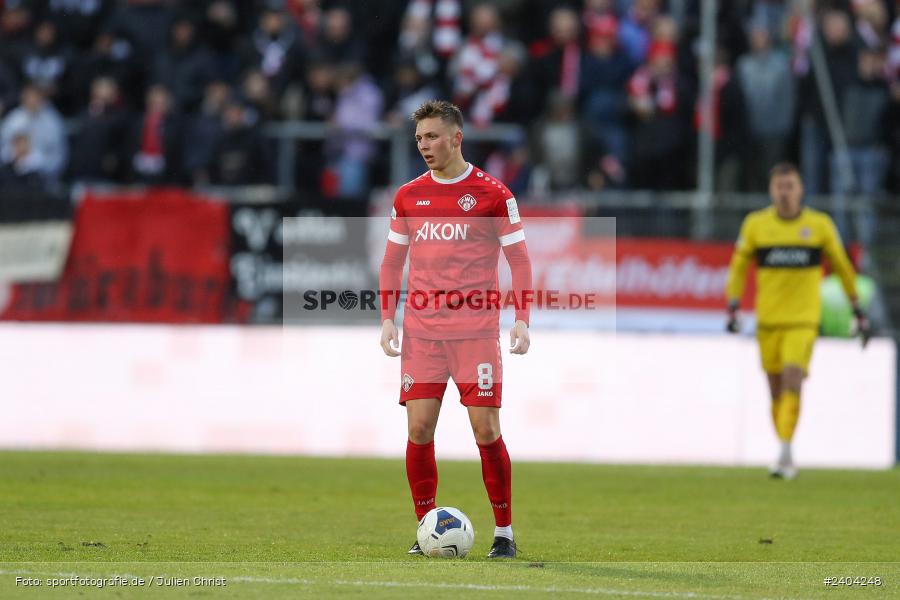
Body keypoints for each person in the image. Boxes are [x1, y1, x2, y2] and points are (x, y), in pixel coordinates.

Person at [379, 100, 532, 558]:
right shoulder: (409, 196)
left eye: (432, 137)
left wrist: (522, 318)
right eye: (419, 138)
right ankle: (425, 529)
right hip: (423, 333)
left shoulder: (492, 194)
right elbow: (392, 261)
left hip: (475, 333)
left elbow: (519, 260)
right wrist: (387, 317)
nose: (425, 146)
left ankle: (503, 533)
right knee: (420, 428)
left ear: (456, 138)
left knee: (485, 429)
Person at [724, 163, 871, 480]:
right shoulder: (756, 225)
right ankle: (784, 448)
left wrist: (857, 308)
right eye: (780, 186)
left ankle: (785, 452)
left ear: (801, 190)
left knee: (793, 377)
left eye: (790, 186)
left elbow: (843, 267)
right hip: (769, 322)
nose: (785, 192)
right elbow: (738, 267)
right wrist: (733, 305)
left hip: (803, 320)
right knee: (775, 391)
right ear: (771, 191)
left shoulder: (819, 226)